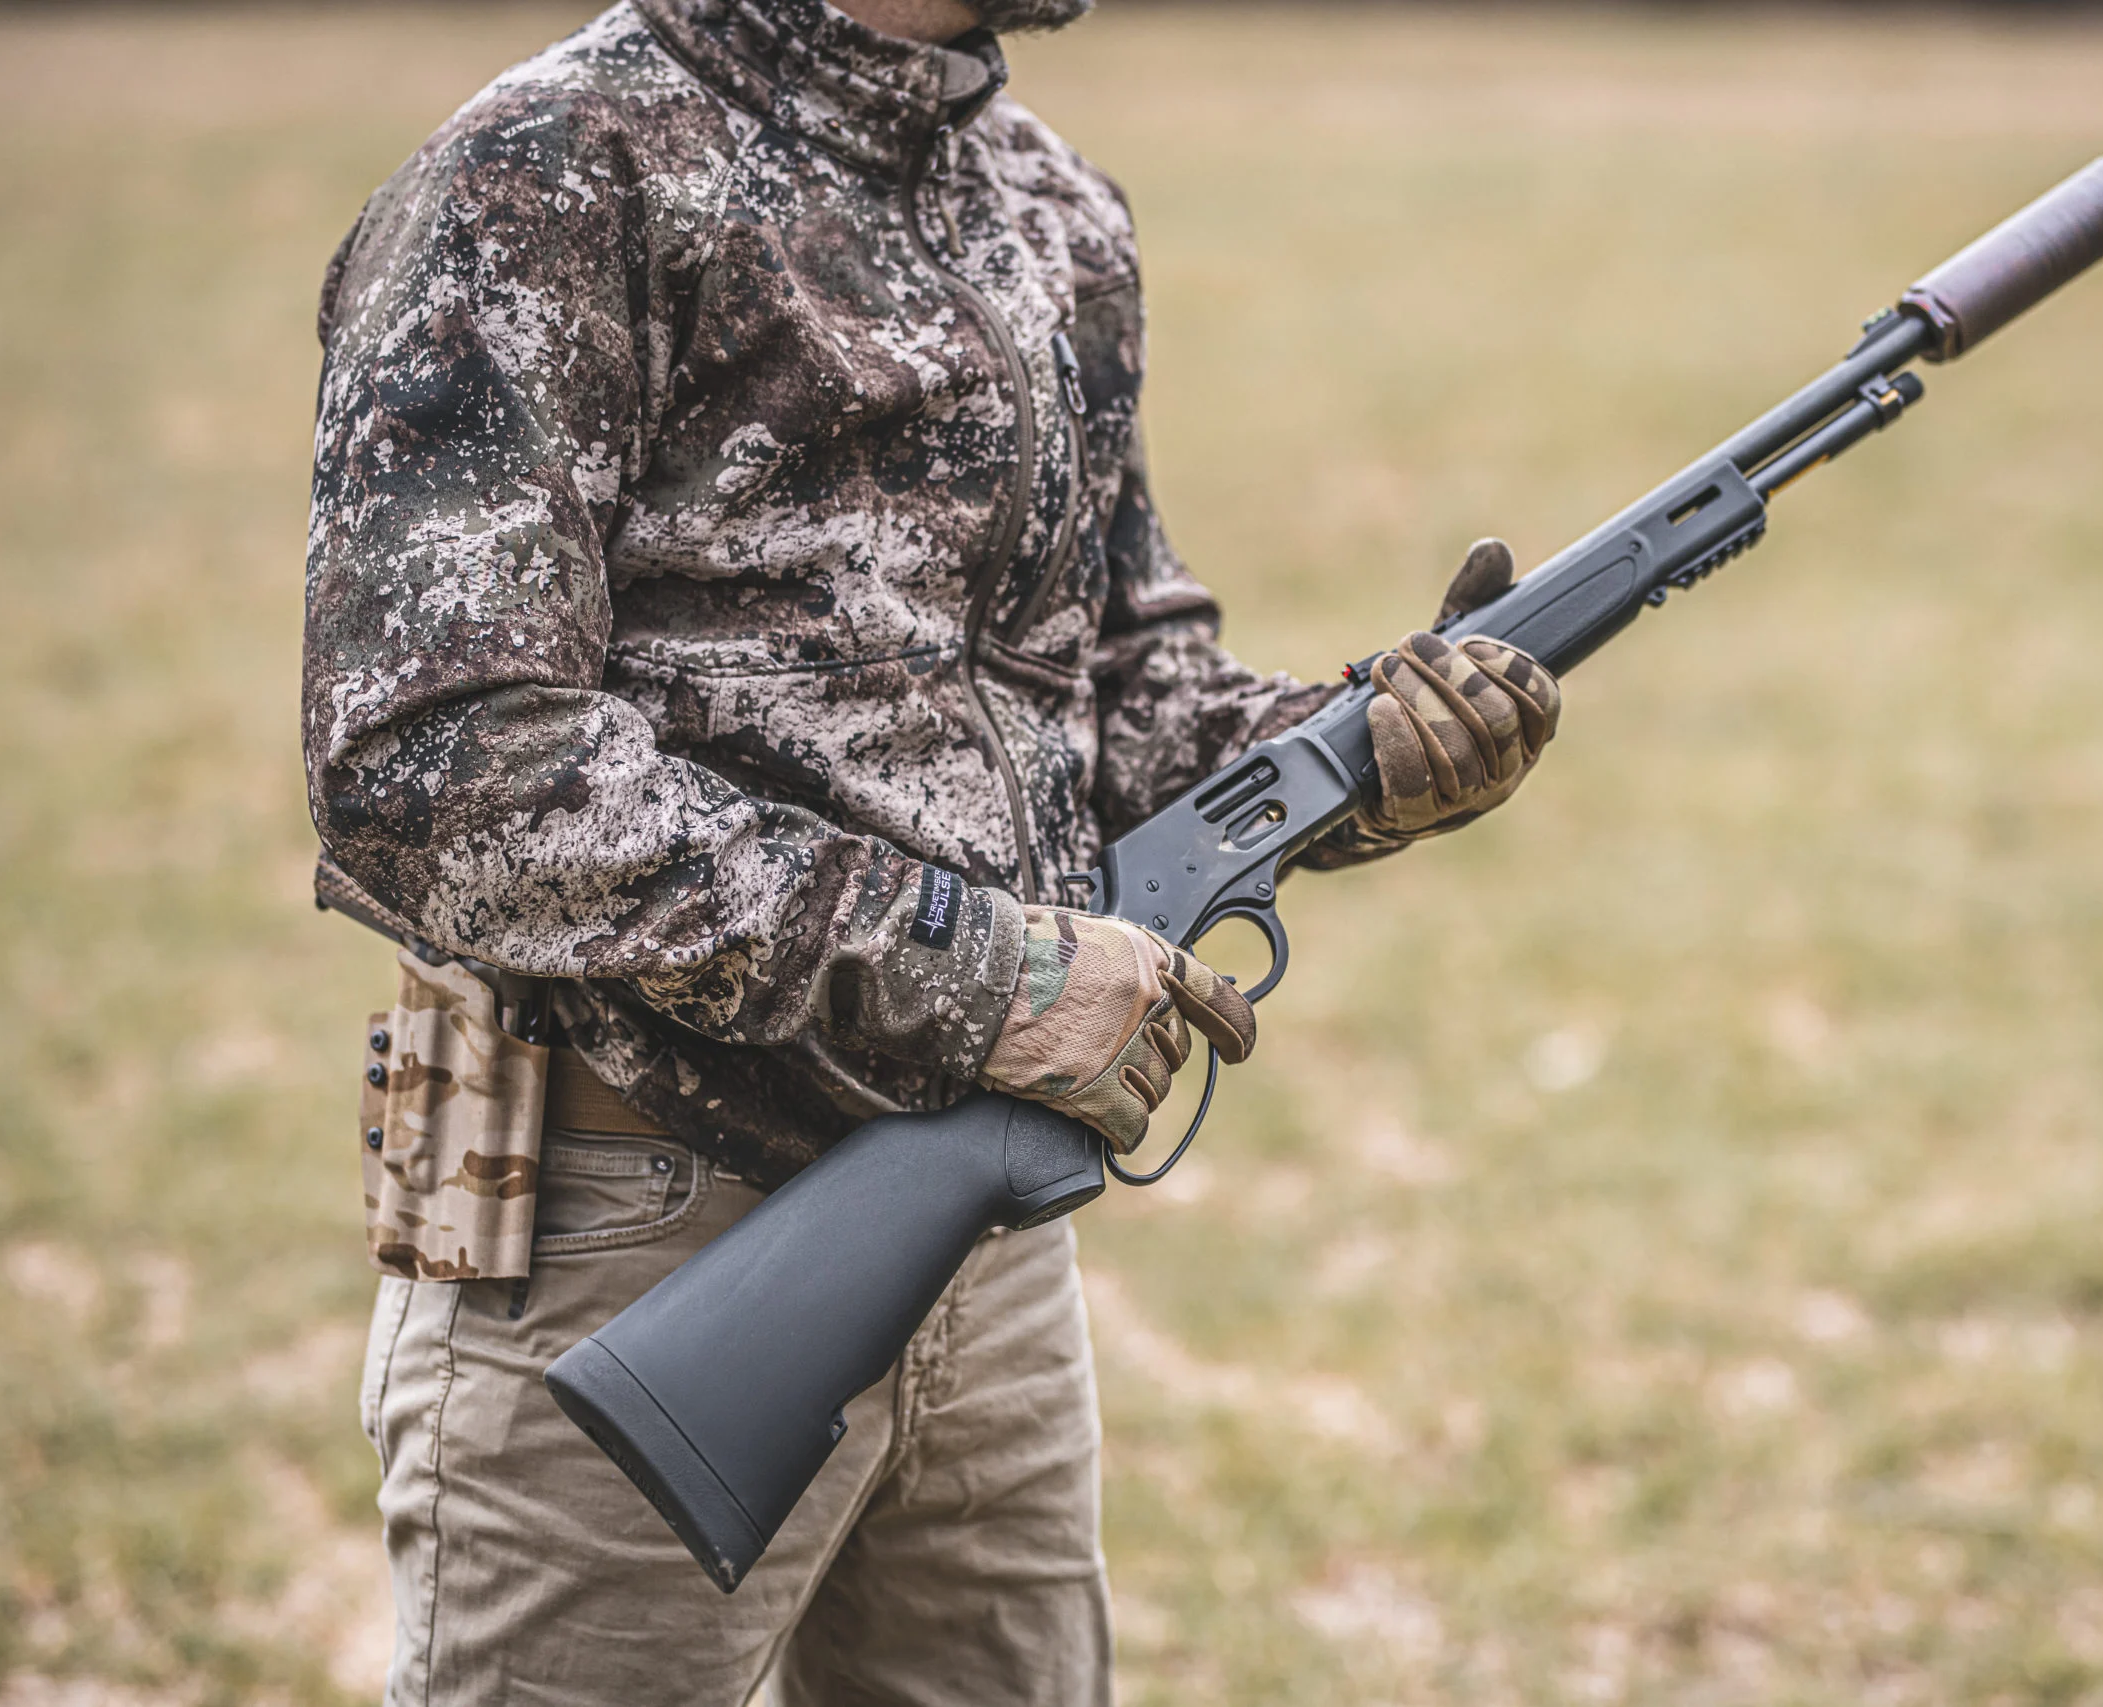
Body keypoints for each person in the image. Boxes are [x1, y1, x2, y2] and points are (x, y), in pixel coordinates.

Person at [301, 0, 1561, 1698]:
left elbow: (1115, 694)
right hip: (626, 1225)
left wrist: (1356, 758)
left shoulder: (1048, 208)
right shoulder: (555, 173)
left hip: (984, 1236)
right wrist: (993, 975)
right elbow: (439, 761)